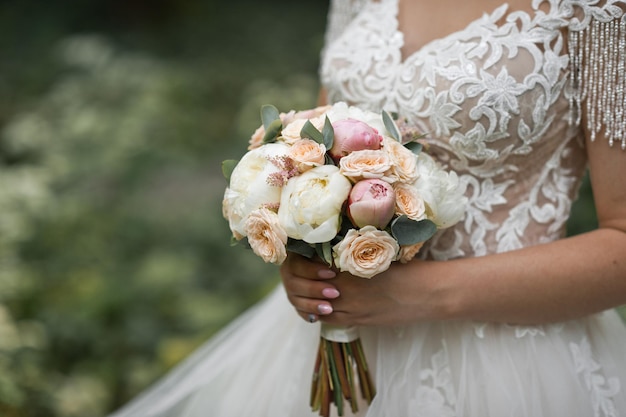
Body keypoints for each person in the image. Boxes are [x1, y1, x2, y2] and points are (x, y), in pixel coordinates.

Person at [109, 0, 626, 416]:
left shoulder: (598, 11)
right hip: (332, 333)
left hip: (511, 358)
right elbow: (317, 146)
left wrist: (421, 295)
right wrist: (303, 250)